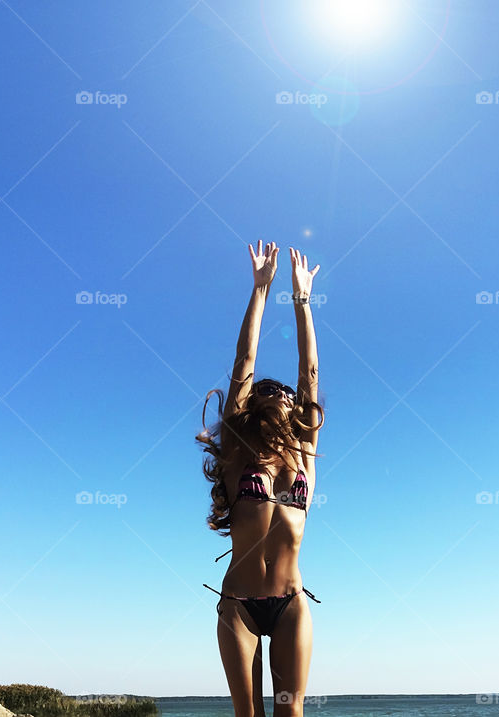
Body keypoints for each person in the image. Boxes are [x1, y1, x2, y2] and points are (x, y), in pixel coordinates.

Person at [196, 240, 326, 717]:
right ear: (254, 405)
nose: (283, 394)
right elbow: (244, 366)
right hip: (239, 605)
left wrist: (303, 301)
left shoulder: (303, 455)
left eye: (288, 394)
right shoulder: (237, 455)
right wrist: (260, 289)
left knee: (291, 712)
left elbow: (309, 373)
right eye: (270, 391)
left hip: (291, 602)